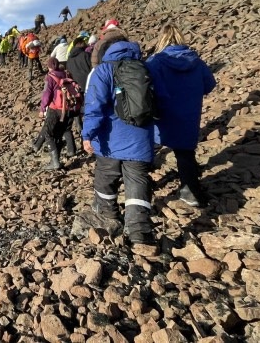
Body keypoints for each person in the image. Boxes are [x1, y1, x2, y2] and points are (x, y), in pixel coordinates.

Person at [80, 40, 156, 244]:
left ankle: (109, 215)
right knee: (137, 180)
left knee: (106, 177)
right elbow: (160, 102)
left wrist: (87, 134)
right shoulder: (147, 68)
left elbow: (94, 106)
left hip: (110, 139)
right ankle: (138, 230)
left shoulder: (103, 70)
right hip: (140, 139)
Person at [146, 24, 216, 207]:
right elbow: (209, 85)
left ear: (162, 39)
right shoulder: (196, 61)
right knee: (185, 153)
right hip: (188, 114)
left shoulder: (155, 62)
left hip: (163, 114)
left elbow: (146, 88)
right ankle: (191, 192)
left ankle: (142, 188)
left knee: (149, 148)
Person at [29, 57, 75, 170]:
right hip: (68, 108)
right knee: (58, 134)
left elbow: (46, 94)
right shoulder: (65, 73)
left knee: (48, 133)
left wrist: (42, 109)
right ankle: (40, 148)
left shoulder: (50, 77)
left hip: (55, 109)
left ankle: (55, 162)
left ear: (49, 66)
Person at [66, 32, 93, 135]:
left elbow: (69, 74)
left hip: (75, 87)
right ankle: (89, 128)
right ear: (80, 44)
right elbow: (93, 69)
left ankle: (79, 126)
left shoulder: (69, 59)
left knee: (77, 106)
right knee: (89, 107)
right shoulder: (86, 55)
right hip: (88, 85)